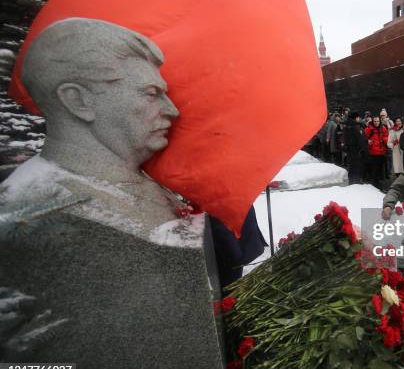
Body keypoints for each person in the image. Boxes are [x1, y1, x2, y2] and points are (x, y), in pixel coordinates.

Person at [0, 18, 186, 241]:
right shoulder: (44, 210)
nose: (173, 110)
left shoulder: (135, 184)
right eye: (151, 93)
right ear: (79, 100)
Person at [210, 205, 267, 292]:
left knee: (230, 279)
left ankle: (228, 298)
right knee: (233, 273)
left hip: (230, 243)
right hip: (235, 236)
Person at [343, 111, 368, 184]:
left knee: (351, 166)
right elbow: (361, 140)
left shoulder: (347, 126)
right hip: (356, 150)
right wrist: (364, 149)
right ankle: (356, 182)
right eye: (358, 117)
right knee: (357, 166)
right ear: (355, 118)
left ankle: (351, 181)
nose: (359, 118)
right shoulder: (356, 127)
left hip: (349, 149)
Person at [364, 116, 388, 188]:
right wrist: (368, 141)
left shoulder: (383, 128)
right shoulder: (369, 129)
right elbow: (364, 138)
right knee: (375, 168)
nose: (376, 123)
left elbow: (386, 136)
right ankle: (375, 183)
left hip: (382, 152)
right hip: (373, 152)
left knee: (381, 168)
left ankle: (379, 183)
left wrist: (385, 140)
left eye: (377, 121)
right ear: (373, 121)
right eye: (375, 121)